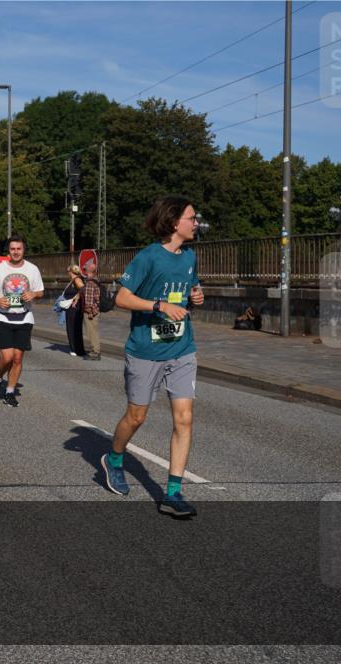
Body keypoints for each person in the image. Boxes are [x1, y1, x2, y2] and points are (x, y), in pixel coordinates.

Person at [101, 196, 205, 518]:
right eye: (192, 217)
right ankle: (114, 458)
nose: (196, 222)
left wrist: (196, 295)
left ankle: (173, 493)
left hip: (182, 349)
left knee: (184, 418)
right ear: (175, 223)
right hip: (146, 351)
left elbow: (190, 287)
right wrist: (158, 306)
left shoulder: (190, 257)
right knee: (137, 417)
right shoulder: (148, 257)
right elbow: (121, 297)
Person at [0, 235, 44, 408]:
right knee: (7, 357)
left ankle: (10, 392)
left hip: (24, 317)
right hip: (2, 316)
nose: (16, 252)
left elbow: (40, 291)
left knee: (17, 358)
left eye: (19, 248)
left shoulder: (32, 269)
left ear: (24, 250)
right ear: (8, 251)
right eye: (13, 249)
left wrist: (33, 294)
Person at [81, 260, 102, 361]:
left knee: (91, 332)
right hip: (97, 310)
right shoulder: (96, 279)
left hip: (91, 312)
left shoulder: (89, 282)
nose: (84, 270)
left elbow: (89, 300)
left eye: (85, 268)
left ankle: (95, 352)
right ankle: (95, 350)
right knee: (94, 330)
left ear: (88, 270)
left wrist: (89, 313)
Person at [64, 265, 86, 357]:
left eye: (68, 271)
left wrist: (77, 297)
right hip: (72, 308)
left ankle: (75, 349)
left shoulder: (76, 279)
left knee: (73, 328)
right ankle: (77, 348)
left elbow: (83, 289)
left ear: (70, 272)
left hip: (74, 308)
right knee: (74, 328)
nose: (67, 273)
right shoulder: (74, 280)